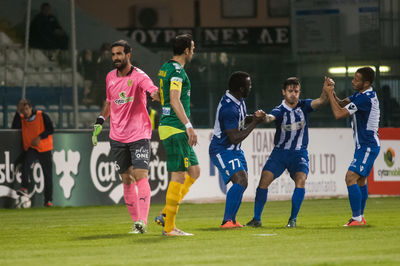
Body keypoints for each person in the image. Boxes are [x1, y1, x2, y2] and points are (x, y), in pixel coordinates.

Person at [92, 40, 159, 234]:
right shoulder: (110, 77)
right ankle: (137, 223)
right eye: (113, 54)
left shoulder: (139, 76)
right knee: (126, 179)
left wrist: (158, 95)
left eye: (119, 54)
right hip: (117, 136)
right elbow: (109, 102)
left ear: (128, 55)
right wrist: (99, 121)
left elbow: (152, 90)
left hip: (138, 133)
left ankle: (142, 221)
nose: (115, 58)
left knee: (140, 175)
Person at [246, 77, 331, 228]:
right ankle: (256, 219)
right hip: (280, 154)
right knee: (263, 181)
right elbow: (269, 118)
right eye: (290, 91)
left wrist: (326, 88)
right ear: (284, 92)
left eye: (296, 91)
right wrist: (262, 116)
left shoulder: (305, 105)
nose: (293, 94)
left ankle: (293, 219)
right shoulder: (280, 110)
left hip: (299, 154)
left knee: (301, 180)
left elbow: (322, 100)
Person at [154, 34, 200, 236]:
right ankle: (169, 227)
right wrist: (188, 125)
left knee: (194, 171)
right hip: (175, 127)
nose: (194, 51)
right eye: (193, 47)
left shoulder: (166, 67)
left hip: (170, 125)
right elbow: (174, 99)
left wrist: (160, 96)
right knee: (179, 174)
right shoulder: (178, 71)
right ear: (186, 50)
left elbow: (161, 94)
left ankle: (165, 215)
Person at [323, 67, 380, 226]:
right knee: (360, 180)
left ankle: (357, 218)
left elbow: (339, 113)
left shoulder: (364, 99)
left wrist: (328, 94)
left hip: (367, 145)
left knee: (350, 177)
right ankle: (359, 217)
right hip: (365, 145)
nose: (353, 81)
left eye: (356, 79)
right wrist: (332, 91)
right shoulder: (362, 94)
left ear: (366, 83)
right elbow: (341, 102)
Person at [209, 71, 266, 228]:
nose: (251, 87)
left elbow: (239, 119)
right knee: (241, 180)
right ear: (241, 89)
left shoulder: (237, 100)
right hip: (221, 149)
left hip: (234, 150)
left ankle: (232, 220)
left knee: (243, 181)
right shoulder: (228, 107)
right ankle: (227, 221)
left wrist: (253, 117)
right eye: (249, 85)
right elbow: (234, 137)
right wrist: (254, 122)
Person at [12, 99, 54, 207]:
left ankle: (48, 200)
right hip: (32, 148)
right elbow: (14, 127)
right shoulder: (22, 119)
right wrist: (17, 112)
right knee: (26, 165)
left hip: (44, 148)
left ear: (31, 108)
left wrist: (40, 137)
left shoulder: (41, 115)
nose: (25, 112)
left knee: (47, 175)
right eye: (23, 110)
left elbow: (51, 129)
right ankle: (24, 187)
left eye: (27, 109)